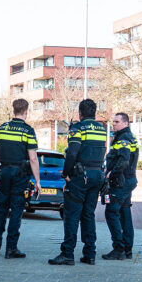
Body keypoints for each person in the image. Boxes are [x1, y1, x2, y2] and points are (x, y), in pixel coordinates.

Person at [48, 99, 107, 266]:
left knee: (72, 215)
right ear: (94, 112)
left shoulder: (78, 128)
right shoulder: (101, 129)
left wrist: (66, 173)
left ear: (80, 113)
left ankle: (67, 253)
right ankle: (90, 254)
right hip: (96, 175)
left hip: (80, 176)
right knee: (88, 215)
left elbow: (72, 153)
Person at [0, 98, 41, 258]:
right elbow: (33, 158)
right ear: (26, 111)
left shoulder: (2, 128)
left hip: (4, 172)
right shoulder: (28, 131)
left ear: (14, 110)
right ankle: (11, 248)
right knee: (17, 210)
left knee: (1, 210)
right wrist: (38, 181)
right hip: (20, 174)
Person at [102, 112, 139, 261]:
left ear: (125, 123)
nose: (114, 124)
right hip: (128, 180)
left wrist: (111, 174)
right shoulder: (129, 137)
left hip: (121, 181)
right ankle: (127, 249)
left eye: (117, 122)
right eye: (114, 121)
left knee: (111, 212)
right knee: (125, 213)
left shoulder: (123, 138)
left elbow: (124, 159)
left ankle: (119, 248)